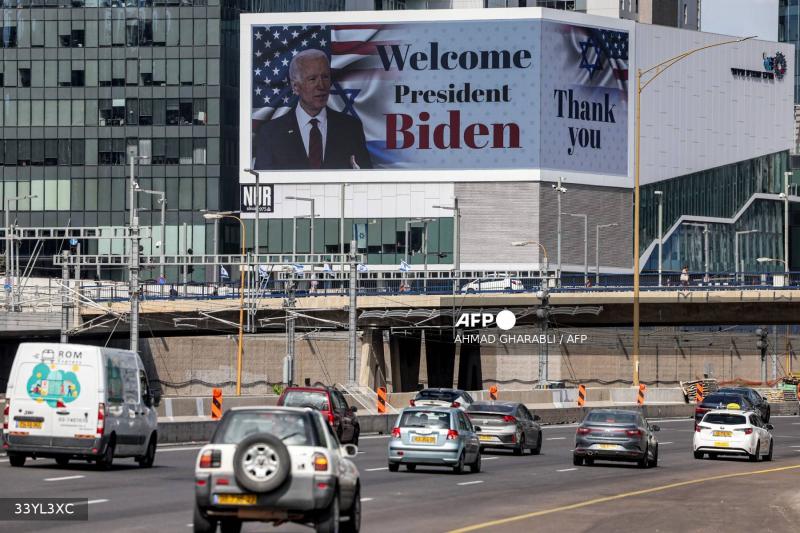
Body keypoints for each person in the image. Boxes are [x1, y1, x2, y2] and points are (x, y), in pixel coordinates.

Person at [252, 49, 373, 170]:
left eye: (325, 77)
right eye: (312, 79)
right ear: (295, 87)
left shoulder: (351, 128)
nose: (321, 85)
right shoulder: (271, 133)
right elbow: (263, 180)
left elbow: (366, 177)